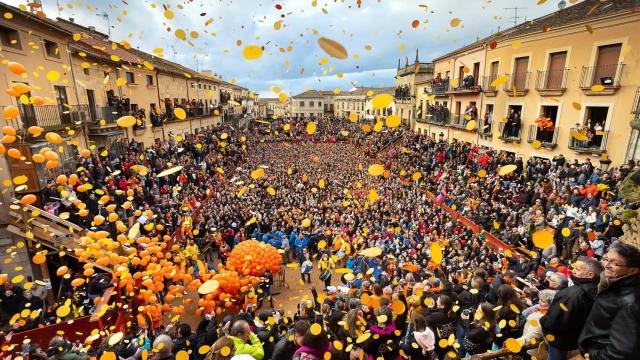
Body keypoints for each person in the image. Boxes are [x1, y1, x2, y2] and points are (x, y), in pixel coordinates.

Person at [579, 241, 640, 360]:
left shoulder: (629, 302)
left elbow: (625, 350)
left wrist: (594, 356)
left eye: (614, 263)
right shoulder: (612, 284)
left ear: (633, 270)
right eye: (606, 259)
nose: (606, 265)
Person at [541, 257, 602, 360]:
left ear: (590, 275)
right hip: (576, 339)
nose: (572, 270)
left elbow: (553, 321)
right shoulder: (599, 290)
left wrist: (542, 321)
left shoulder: (570, 294)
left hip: (560, 340)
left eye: (577, 269)